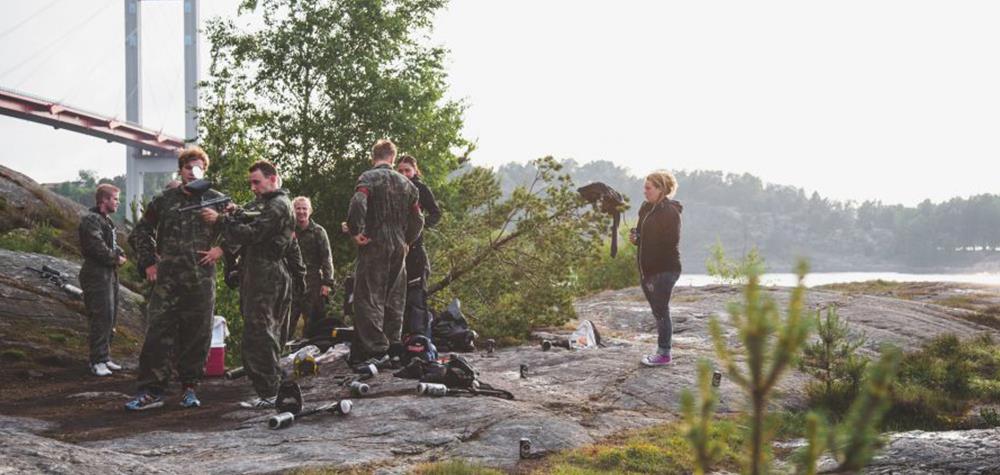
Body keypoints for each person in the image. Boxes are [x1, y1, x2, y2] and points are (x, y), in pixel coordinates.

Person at [126, 147, 225, 410]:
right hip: (167, 280)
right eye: (188, 168)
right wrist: (148, 262)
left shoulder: (217, 200)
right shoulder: (164, 200)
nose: (193, 173)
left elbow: (244, 229)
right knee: (158, 333)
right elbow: (141, 231)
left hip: (201, 280)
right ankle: (151, 391)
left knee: (197, 334)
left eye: (198, 168)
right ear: (180, 171)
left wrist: (221, 249)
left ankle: (189, 388)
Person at [202, 160, 295, 409]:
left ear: (272, 178)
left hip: (267, 275)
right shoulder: (267, 203)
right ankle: (271, 389)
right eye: (251, 183)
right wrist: (234, 212)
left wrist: (221, 221)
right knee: (261, 332)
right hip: (259, 273)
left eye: (257, 182)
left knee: (260, 334)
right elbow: (249, 215)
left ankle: (270, 392)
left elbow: (253, 233)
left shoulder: (278, 205)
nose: (253, 187)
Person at [347, 139, 424, 364]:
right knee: (395, 295)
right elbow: (418, 219)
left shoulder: (368, 178)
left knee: (368, 296)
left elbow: (358, 203)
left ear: (374, 157)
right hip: (399, 244)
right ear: (392, 157)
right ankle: (394, 344)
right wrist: (407, 240)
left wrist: (355, 231)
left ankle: (376, 349)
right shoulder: (408, 185)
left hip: (374, 243)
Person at [629, 171, 683, 367]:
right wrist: (637, 239)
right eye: (644, 187)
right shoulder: (645, 208)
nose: (644, 191)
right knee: (657, 310)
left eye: (648, 187)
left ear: (660, 189)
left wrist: (647, 243)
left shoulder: (670, 212)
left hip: (665, 269)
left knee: (661, 311)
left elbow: (671, 242)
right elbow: (643, 236)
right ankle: (663, 351)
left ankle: (664, 353)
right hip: (648, 270)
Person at [78, 184, 127, 377]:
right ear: (104, 200)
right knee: (101, 316)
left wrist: (119, 254)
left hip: (109, 274)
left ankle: (105, 357)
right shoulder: (91, 220)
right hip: (96, 273)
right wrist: (116, 258)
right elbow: (95, 247)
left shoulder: (106, 221)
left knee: (111, 316)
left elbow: (112, 244)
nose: (117, 202)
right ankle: (97, 360)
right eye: (115, 199)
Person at [396, 155, 441, 337]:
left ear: (415, 170)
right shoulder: (393, 188)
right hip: (395, 250)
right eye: (400, 170)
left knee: (416, 299)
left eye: (407, 170)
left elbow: (436, 213)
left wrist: (420, 227)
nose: (404, 174)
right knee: (398, 300)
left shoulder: (421, 188)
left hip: (415, 251)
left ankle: (419, 340)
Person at [288, 196, 335, 340]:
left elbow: (327, 258)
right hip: (290, 282)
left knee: (313, 325)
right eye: (298, 208)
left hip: (313, 282)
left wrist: (327, 283)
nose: (301, 212)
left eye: (304, 208)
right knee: (287, 322)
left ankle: (312, 356)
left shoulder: (318, 232)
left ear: (310, 211)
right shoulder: (287, 230)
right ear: (292, 210)